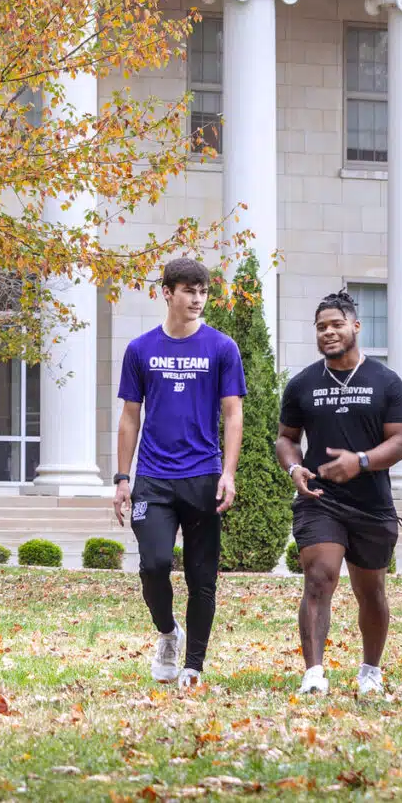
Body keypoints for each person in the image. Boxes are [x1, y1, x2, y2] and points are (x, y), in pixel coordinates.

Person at [111, 255, 244, 690]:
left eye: (203, 291)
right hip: (154, 475)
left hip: (204, 474)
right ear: (166, 292)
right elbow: (130, 417)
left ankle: (193, 666)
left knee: (202, 577)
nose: (197, 299)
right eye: (189, 290)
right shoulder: (141, 349)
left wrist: (228, 472)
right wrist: (121, 478)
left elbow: (233, 413)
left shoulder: (222, 348)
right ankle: (168, 634)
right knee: (153, 565)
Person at [276, 290, 402, 697]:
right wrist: (294, 466)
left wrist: (362, 461)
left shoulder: (386, 382)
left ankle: (370, 670)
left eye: (336, 324)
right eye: (321, 327)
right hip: (320, 500)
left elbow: (400, 442)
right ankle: (314, 673)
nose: (329, 332)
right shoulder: (302, 384)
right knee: (319, 577)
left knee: (370, 590)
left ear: (356, 326)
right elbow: (286, 438)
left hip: (371, 502)